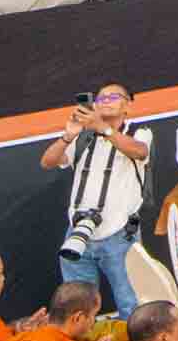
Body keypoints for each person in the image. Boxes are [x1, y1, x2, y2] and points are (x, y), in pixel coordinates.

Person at [45, 85, 158, 312]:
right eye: (101, 98)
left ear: (127, 106)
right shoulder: (84, 137)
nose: (106, 100)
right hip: (78, 231)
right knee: (76, 306)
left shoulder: (139, 132)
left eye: (113, 96)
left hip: (120, 234)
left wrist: (103, 128)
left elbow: (140, 152)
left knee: (131, 303)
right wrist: (68, 135)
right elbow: (47, 162)